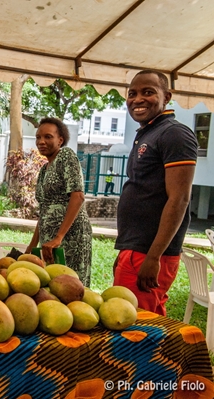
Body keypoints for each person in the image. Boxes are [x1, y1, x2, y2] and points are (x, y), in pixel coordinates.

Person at [114, 70, 197, 316]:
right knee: (143, 319)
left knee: (135, 325)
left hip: (149, 253)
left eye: (148, 92)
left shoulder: (174, 133)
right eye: (132, 93)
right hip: (135, 249)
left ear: (167, 96)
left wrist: (153, 257)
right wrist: (125, 251)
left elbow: (180, 198)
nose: (137, 99)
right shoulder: (149, 132)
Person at [27, 117, 93, 286]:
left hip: (70, 236)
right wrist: (32, 245)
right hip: (49, 240)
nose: (41, 141)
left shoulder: (66, 155)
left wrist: (59, 237)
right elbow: (45, 211)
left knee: (72, 285)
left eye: (48, 137)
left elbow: (77, 196)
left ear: (60, 140)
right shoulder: (44, 170)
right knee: (54, 286)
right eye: (38, 137)